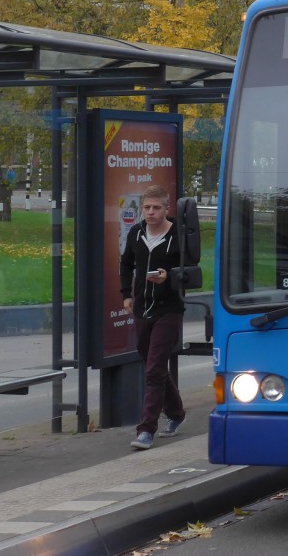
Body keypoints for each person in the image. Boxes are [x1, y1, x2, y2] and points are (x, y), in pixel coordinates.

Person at [120, 185, 186, 450]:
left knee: (155, 368)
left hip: (168, 309)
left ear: (166, 209)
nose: (150, 212)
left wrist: (168, 276)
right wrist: (126, 294)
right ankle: (177, 412)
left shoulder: (177, 236)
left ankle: (146, 429)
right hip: (142, 309)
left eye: (156, 207)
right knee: (152, 364)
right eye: (147, 207)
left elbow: (189, 269)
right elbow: (126, 264)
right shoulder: (136, 233)